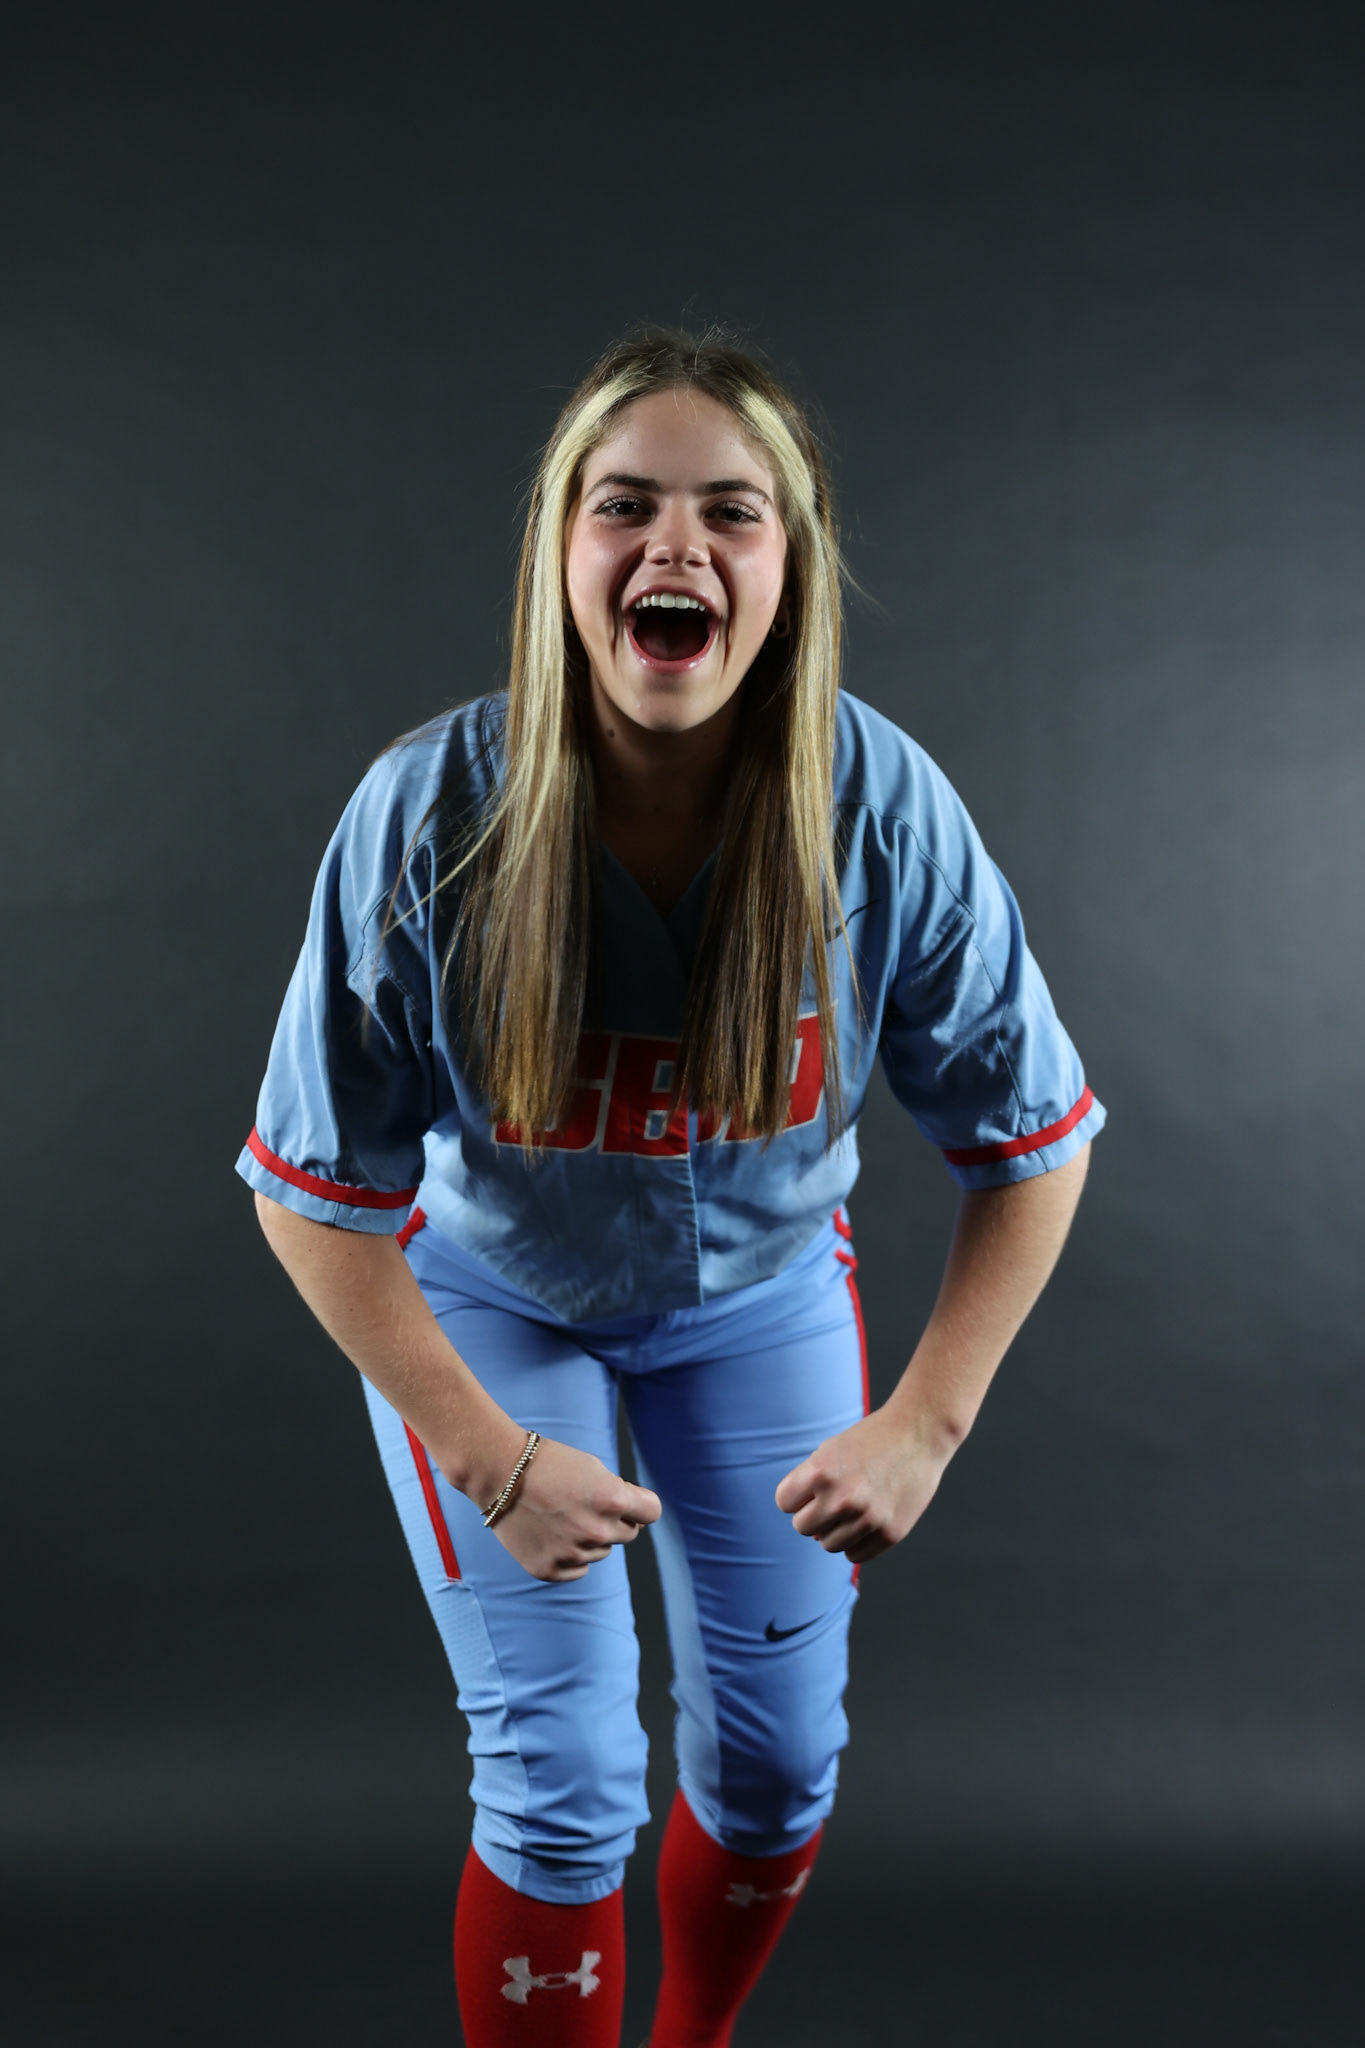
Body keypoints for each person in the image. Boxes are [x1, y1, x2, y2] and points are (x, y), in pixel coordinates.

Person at [236, 325, 1105, 2047]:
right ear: (560, 551)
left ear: (791, 569)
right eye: (622, 504)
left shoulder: (876, 805)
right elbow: (306, 1191)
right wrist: (485, 1456)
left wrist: (925, 1421)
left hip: (758, 1302)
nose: (675, 547)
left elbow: (1038, 1142)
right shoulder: (430, 816)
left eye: (734, 511)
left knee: (779, 1767)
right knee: (562, 1782)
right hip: (493, 1303)